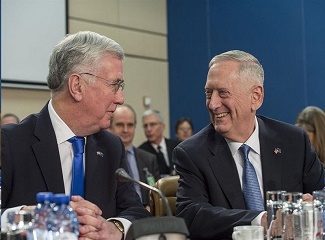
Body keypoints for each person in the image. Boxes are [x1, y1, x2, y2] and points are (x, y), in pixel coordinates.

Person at [1, 31, 151, 240]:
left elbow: (136, 211)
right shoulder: (10, 143)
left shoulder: (111, 146)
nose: (120, 98)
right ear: (77, 86)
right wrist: (34, 218)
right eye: (114, 85)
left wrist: (114, 228)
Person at [172, 50, 324, 239]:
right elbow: (191, 215)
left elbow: (321, 193)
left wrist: (315, 204)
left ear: (256, 96)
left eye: (223, 93)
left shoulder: (294, 141)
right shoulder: (192, 153)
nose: (212, 104)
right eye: (208, 93)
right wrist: (259, 220)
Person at [108, 104, 160, 209]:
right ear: (110, 127)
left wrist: (153, 208)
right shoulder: (104, 158)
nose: (126, 130)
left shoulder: (149, 159)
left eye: (130, 125)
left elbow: (157, 193)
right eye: (120, 125)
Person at [138, 109, 179, 177]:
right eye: (145, 126)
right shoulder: (141, 152)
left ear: (163, 126)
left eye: (152, 124)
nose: (148, 129)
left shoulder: (176, 146)